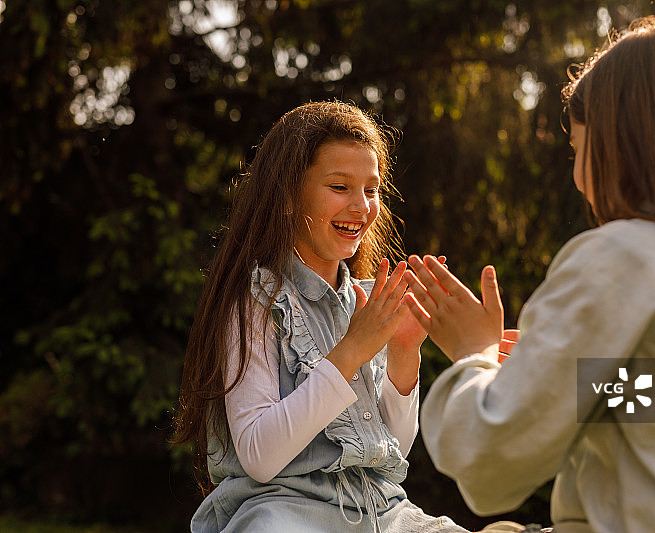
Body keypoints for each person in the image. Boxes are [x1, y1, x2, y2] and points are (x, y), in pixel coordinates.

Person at [403, 16, 655, 533]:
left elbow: (490, 459)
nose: (576, 175)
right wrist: (557, 375)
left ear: (619, 143)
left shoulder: (623, 255)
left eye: (577, 148)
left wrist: (472, 353)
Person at [172, 101, 467, 532]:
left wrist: (404, 353)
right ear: (288, 196)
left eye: (371, 189)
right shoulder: (256, 299)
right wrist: (351, 351)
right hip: (285, 512)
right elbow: (258, 455)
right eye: (340, 187)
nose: (362, 207)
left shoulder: (365, 301)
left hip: (382, 512)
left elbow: (391, 451)